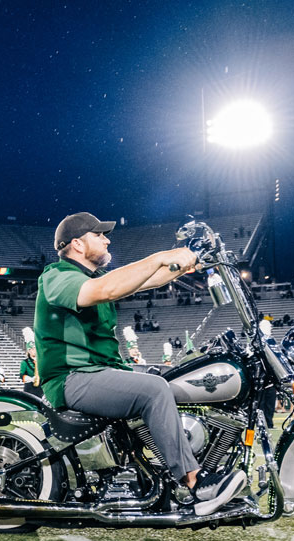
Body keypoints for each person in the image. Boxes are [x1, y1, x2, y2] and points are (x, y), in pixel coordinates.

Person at [35, 211, 244, 514]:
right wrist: (163, 256)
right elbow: (106, 289)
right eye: (99, 235)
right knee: (155, 389)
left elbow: (142, 282)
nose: (107, 240)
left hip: (101, 371)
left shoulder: (89, 278)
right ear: (78, 244)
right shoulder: (58, 276)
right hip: (73, 378)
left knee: (171, 377)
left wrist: (183, 265)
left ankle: (163, 469)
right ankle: (196, 484)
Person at [19, 328, 42, 397]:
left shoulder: (41, 361)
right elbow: (21, 375)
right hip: (29, 388)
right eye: (31, 349)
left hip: (40, 388)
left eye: (34, 348)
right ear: (28, 351)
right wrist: (31, 379)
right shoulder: (24, 362)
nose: (33, 350)